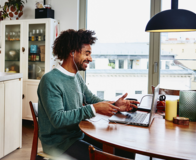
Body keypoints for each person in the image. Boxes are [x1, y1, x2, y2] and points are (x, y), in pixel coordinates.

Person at [37, 29, 139, 160]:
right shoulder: (50, 80)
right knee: (106, 157)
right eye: (87, 53)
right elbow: (58, 119)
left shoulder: (76, 77)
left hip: (78, 135)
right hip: (59, 144)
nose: (90, 58)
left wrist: (115, 105)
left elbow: (91, 99)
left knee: (124, 149)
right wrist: (94, 109)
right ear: (72, 52)